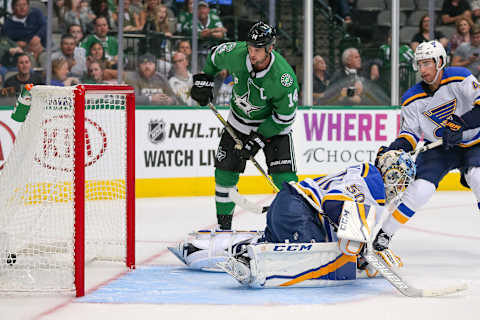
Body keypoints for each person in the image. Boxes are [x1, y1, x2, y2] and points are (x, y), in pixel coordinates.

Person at [171, 152, 415, 286]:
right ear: (391, 173)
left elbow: (338, 211)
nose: (401, 186)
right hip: (298, 211)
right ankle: (249, 263)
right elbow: (334, 203)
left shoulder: (364, 171)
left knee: (276, 243)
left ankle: (199, 250)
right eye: (401, 178)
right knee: (323, 262)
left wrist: (361, 252)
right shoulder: (374, 186)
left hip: (290, 205)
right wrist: (357, 244)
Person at [372, 40, 480, 254]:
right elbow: (409, 135)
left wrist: (461, 123)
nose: (422, 69)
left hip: (474, 142)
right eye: (419, 64)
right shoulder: (412, 98)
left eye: (427, 63)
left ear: (440, 62)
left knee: (478, 177)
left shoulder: (461, 77)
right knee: (421, 190)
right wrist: (396, 148)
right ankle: (382, 237)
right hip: (440, 148)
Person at [190, 21, 299, 230]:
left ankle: (296, 225)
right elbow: (213, 57)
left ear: (270, 48)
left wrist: (259, 138)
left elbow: (284, 118)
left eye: (257, 49)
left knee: (285, 179)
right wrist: (204, 80)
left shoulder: (284, 78)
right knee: (224, 174)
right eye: (250, 47)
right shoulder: (237, 52)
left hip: (274, 128)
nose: (252, 53)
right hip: (238, 123)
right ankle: (224, 228)